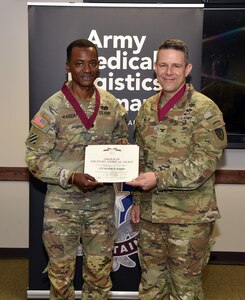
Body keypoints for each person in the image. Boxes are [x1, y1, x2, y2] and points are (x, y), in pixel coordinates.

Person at [25, 38, 128, 300]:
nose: (87, 69)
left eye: (92, 63)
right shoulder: (52, 107)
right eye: (79, 63)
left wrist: (122, 155)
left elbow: (121, 143)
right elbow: (34, 157)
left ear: (99, 66)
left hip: (100, 207)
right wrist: (70, 176)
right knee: (60, 278)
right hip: (62, 209)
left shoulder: (111, 105)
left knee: (99, 277)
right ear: (68, 66)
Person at [126, 39, 227, 299]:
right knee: (150, 287)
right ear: (155, 67)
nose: (168, 72)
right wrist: (136, 199)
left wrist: (158, 179)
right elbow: (141, 159)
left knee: (185, 291)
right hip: (150, 217)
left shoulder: (205, 110)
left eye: (176, 66)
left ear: (187, 69)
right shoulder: (147, 108)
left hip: (188, 220)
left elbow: (204, 164)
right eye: (163, 65)